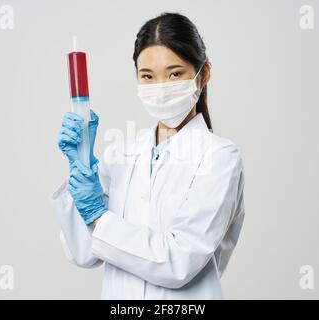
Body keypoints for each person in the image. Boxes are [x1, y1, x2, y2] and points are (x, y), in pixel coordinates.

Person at [51, 12, 245, 299]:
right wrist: (80, 166)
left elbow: (179, 262)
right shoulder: (121, 154)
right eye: (148, 76)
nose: (161, 88)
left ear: (203, 74)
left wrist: (99, 217)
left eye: (175, 73)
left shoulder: (219, 158)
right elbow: (83, 253)